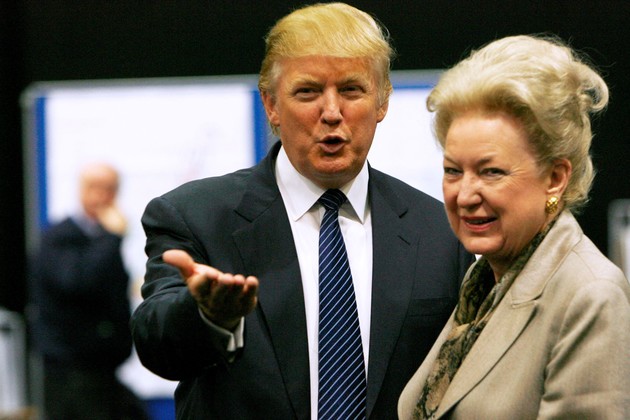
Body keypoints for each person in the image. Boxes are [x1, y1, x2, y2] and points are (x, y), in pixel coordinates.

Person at [130, 3, 474, 419]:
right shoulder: (196, 217)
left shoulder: (441, 231)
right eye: (308, 92)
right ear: (271, 105)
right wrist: (206, 316)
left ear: (383, 102)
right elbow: (157, 346)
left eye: (352, 90)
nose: (331, 113)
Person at [398, 34, 630, 419]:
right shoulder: (484, 281)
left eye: (491, 172)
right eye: (453, 171)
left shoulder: (590, 295)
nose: (465, 195)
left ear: (555, 178)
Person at [29, 163, 148, 420]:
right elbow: (76, 283)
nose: (102, 196)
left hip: (105, 367)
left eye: (110, 189)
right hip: (71, 368)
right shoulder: (59, 237)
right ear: (81, 189)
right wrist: (111, 238)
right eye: (95, 187)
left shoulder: (101, 240)